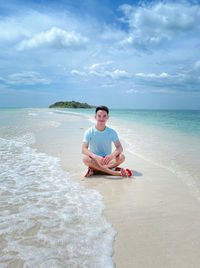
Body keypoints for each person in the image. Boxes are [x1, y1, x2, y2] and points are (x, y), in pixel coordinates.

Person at [82, 105, 132, 177]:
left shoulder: (111, 132)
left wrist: (112, 155)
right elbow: (84, 149)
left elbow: (119, 148)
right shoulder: (89, 131)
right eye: (99, 116)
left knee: (121, 157)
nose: (101, 118)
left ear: (107, 117)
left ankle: (96, 170)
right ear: (95, 117)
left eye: (104, 116)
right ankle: (114, 172)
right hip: (95, 160)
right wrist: (95, 156)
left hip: (107, 160)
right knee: (85, 159)